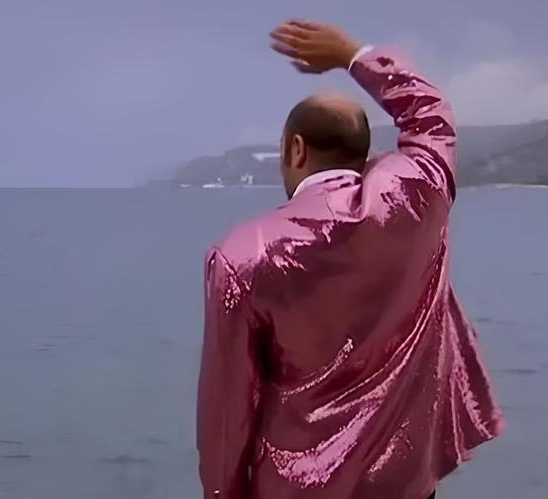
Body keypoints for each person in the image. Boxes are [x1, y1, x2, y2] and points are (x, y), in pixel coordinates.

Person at [196, 19, 503, 499]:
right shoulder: (416, 198)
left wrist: (222, 493)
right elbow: (429, 114)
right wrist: (352, 55)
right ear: (365, 154)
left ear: (295, 149)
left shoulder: (242, 256)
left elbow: (227, 412)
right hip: (405, 483)